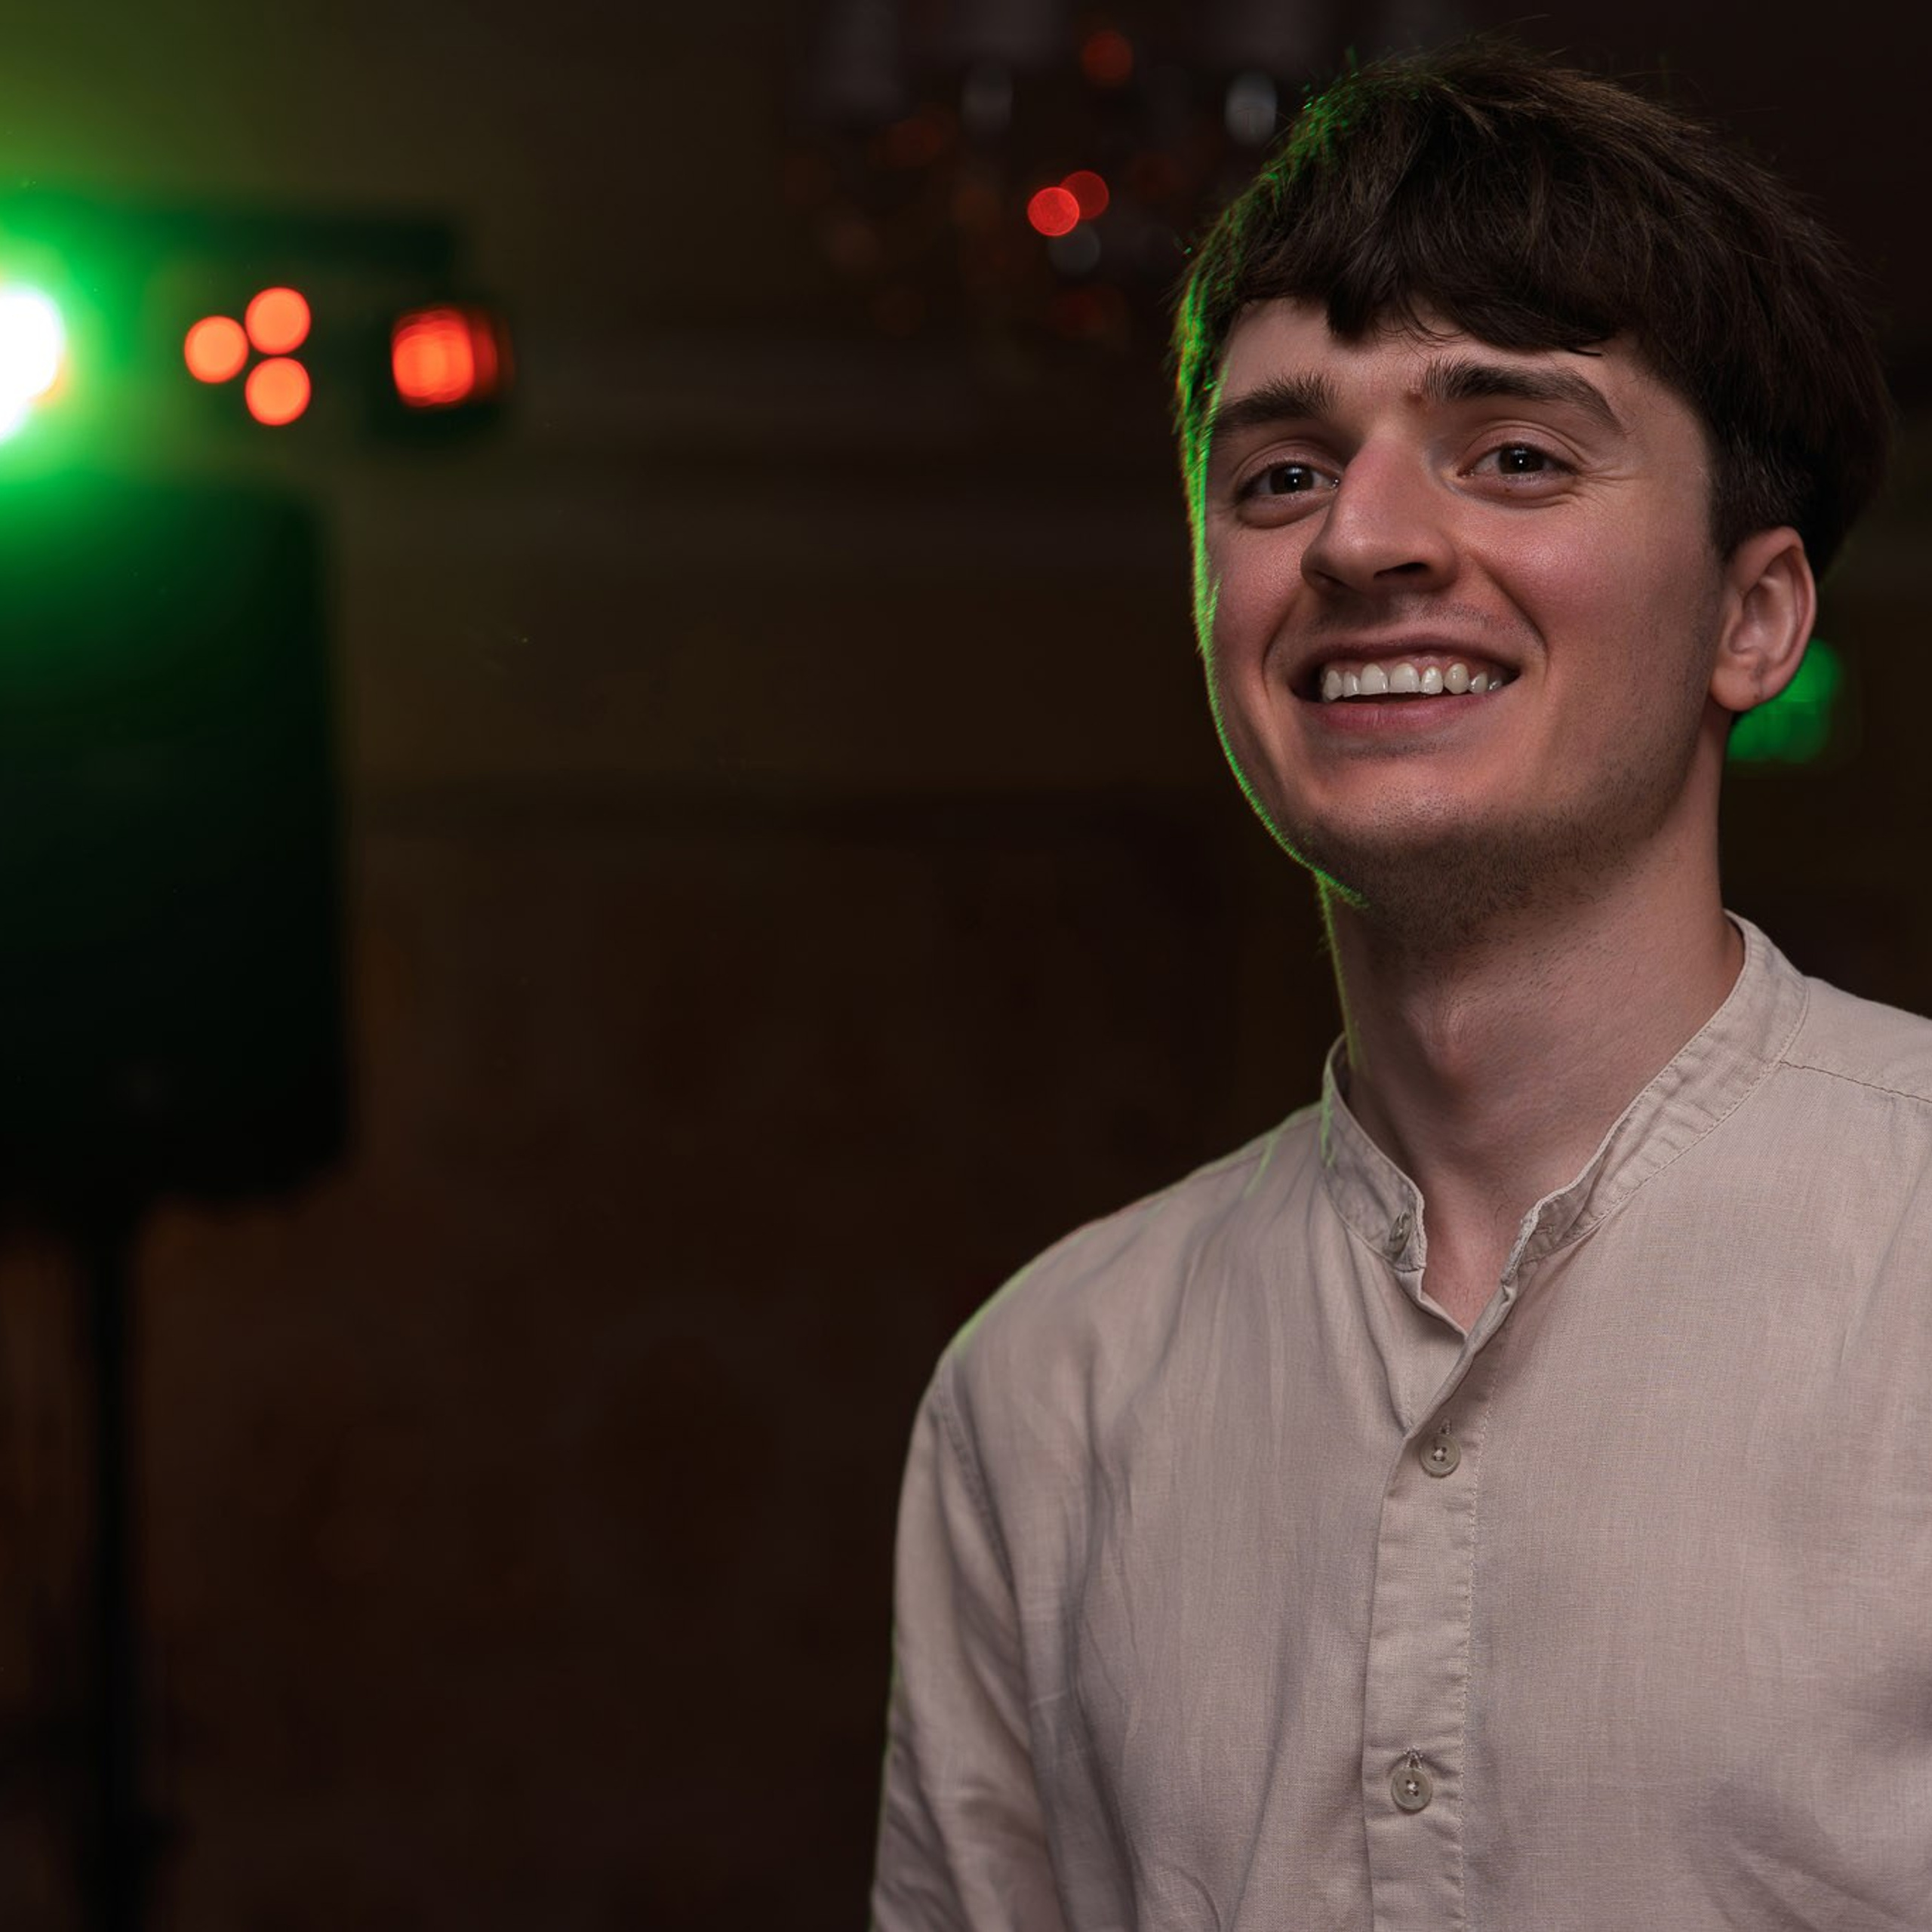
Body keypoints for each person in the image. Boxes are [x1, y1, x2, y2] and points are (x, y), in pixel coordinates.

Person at [871, 38, 1926, 1930]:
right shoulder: (1043, 1388)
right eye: (1279, 474)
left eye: (1514, 452)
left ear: (1752, 614)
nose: (1358, 542)